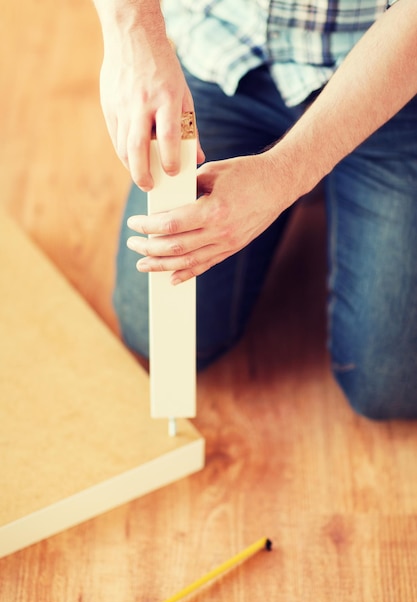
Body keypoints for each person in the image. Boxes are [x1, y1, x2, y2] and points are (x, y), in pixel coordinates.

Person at [92, 0, 417, 421]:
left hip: (388, 73)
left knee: (389, 385)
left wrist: (286, 175)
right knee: (158, 334)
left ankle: (312, 178)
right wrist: (131, 31)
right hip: (224, 47)